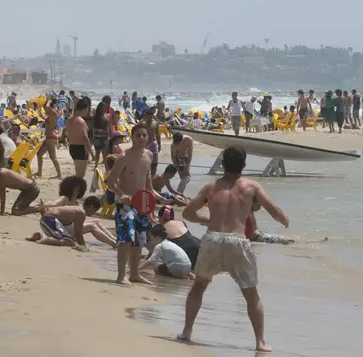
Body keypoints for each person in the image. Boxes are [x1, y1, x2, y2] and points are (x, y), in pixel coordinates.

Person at [177, 146, 289, 351]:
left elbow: (187, 212)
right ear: (244, 164)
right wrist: (284, 219)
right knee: (250, 293)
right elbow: (272, 209)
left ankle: (187, 331)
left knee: (199, 286)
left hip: (212, 239)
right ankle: (260, 342)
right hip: (237, 241)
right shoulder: (251, 187)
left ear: (223, 163)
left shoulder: (211, 187)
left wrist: (202, 219)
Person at [105, 123, 155, 285]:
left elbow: (148, 181)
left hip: (142, 203)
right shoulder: (124, 157)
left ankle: (134, 274)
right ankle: (121, 275)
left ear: (147, 137)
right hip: (125, 203)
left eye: (144, 135)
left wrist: (152, 204)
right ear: (132, 137)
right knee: (125, 239)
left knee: (139, 240)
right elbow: (110, 181)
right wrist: (122, 195)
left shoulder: (149, 155)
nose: (141, 138)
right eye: (138, 135)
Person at [25, 196, 104, 250]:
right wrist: (83, 247)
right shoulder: (81, 212)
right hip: (50, 219)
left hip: (46, 219)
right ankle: (45, 239)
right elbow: (78, 233)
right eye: (94, 211)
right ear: (91, 207)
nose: (93, 214)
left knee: (63, 237)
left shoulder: (77, 208)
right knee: (69, 242)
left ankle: (39, 235)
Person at [67, 97, 94, 178]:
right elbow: (85, 138)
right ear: (84, 109)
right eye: (87, 109)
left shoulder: (69, 120)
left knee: (78, 173)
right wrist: (92, 154)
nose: (87, 112)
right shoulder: (80, 121)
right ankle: (75, 190)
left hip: (72, 147)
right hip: (81, 148)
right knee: (80, 176)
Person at [36, 96, 62, 179]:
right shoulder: (51, 115)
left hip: (50, 138)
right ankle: (39, 173)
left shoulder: (54, 113)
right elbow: (48, 121)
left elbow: (47, 107)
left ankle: (59, 175)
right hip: (48, 138)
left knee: (53, 157)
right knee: (39, 154)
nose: (45, 109)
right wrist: (41, 115)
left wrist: (49, 99)